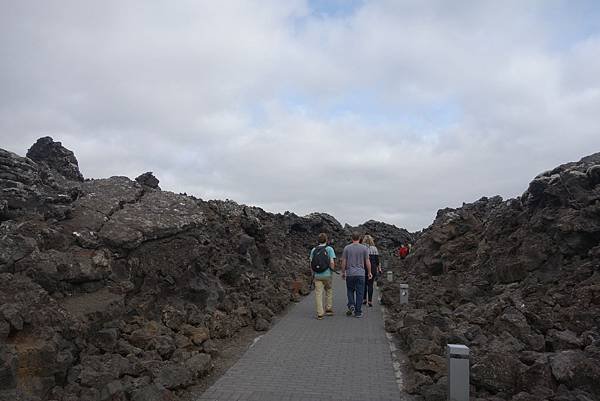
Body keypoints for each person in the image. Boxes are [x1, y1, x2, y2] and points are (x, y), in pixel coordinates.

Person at [341, 231, 372, 318]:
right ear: (359, 238)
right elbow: (367, 261)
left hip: (350, 273)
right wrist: (369, 272)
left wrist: (343, 272)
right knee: (360, 293)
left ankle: (351, 304)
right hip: (361, 274)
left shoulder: (347, 248)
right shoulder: (364, 248)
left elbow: (344, 261)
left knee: (350, 290)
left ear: (352, 238)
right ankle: (358, 312)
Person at [309, 233, 336, 320]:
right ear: (326, 240)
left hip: (317, 275)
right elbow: (332, 262)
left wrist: (313, 273)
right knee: (329, 291)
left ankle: (320, 313)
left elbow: (311, 263)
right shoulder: (329, 249)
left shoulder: (314, 250)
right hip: (327, 274)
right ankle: (328, 309)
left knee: (318, 294)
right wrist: (331, 272)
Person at [362, 235, 381, 307]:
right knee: (370, 284)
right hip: (372, 268)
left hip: (364, 267)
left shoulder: (362, 248)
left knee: (364, 284)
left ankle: (364, 299)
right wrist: (379, 268)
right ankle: (370, 301)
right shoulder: (375, 248)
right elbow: (377, 261)